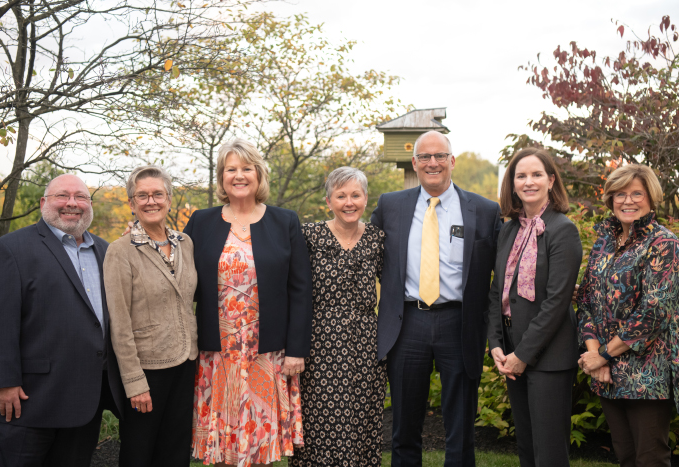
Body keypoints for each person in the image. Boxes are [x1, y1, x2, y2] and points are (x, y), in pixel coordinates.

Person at [371, 130, 501, 466]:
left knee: (460, 425)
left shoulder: (485, 211)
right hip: (406, 321)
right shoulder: (390, 205)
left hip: (459, 322)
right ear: (414, 163)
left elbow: (504, 271)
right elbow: (365, 255)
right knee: (404, 425)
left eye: (440, 156)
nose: (433, 162)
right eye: (425, 157)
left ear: (452, 161)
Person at [0, 174, 126, 467]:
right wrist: (4, 381)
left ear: (90, 205)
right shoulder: (11, 249)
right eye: (63, 195)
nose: (72, 203)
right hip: (27, 402)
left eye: (81, 197)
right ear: (44, 202)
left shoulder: (106, 251)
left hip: (84, 403)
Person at [186, 138, 312, 467]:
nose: (239, 175)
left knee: (259, 444)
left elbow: (300, 289)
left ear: (259, 175)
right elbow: (179, 279)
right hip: (218, 354)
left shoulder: (285, 221)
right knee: (225, 446)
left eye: (246, 168)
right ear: (221, 178)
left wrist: (297, 349)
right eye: (231, 169)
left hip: (266, 354)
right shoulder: (201, 222)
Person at [577, 164, 679, 467]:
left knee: (650, 459)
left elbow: (654, 313)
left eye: (637, 193)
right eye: (620, 194)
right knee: (625, 456)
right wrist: (595, 356)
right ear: (610, 198)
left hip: (648, 376)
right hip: (607, 373)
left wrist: (604, 355)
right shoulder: (604, 242)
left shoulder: (664, 243)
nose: (628, 201)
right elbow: (587, 300)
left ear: (651, 198)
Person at [487, 148, 582, 467]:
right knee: (526, 448)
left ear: (551, 180)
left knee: (549, 452)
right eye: (521, 176)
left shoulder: (562, 229)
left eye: (537, 174)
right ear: (512, 184)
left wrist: (522, 356)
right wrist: (497, 345)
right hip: (512, 351)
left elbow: (557, 303)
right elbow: (497, 291)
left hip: (548, 356)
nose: (529, 181)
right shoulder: (510, 229)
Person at [291, 167, 386, 467]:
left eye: (355, 195)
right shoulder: (309, 235)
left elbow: (395, 287)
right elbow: (293, 288)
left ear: (366, 198)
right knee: (320, 420)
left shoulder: (376, 238)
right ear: (328, 201)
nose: (349, 202)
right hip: (320, 342)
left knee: (362, 418)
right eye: (341, 195)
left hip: (366, 344)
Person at [103, 166, 198, 467]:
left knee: (176, 451)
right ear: (131, 203)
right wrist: (135, 383)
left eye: (157, 194)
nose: (150, 201)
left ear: (169, 199)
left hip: (186, 364)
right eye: (141, 195)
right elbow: (119, 323)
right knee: (140, 454)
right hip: (147, 370)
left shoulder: (185, 243)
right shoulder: (121, 251)